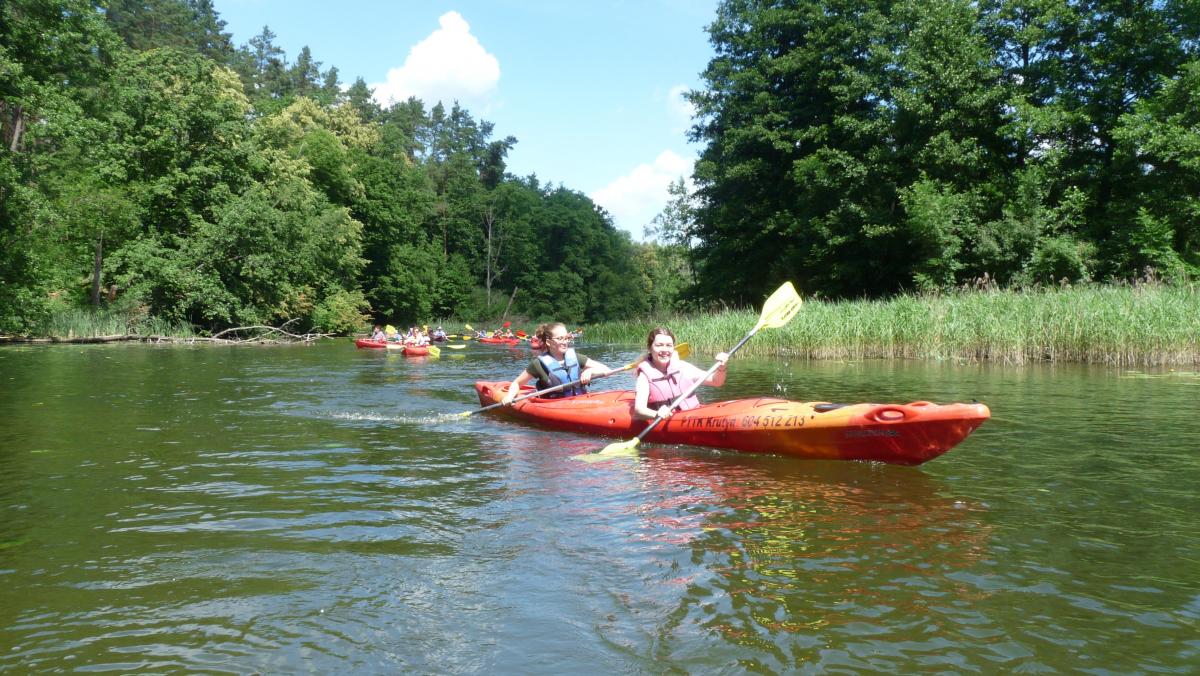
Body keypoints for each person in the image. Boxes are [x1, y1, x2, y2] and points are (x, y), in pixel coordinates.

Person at [633, 327, 729, 420]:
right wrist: (656, 414)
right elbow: (639, 409)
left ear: (673, 348)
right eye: (659, 345)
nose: (664, 350)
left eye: (669, 345)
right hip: (667, 421)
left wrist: (721, 367)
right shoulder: (644, 376)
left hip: (694, 416)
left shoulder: (683, 367)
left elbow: (716, 381)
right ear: (649, 348)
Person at [502, 322, 610, 403]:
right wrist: (509, 397)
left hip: (580, 402)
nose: (565, 342)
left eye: (566, 338)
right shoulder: (538, 364)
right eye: (560, 338)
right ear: (549, 342)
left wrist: (590, 371)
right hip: (554, 405)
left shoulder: (576, 357)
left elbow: (607, 370)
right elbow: (517, 383)